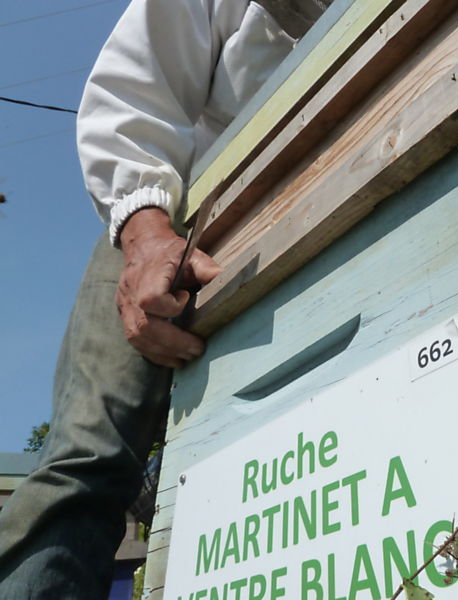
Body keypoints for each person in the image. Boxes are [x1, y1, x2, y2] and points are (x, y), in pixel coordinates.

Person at [0, 1, 329, 597]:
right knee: (89, 459)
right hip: (165, 225)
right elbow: (134, 90)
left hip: (312, 209)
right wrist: (147, 237)